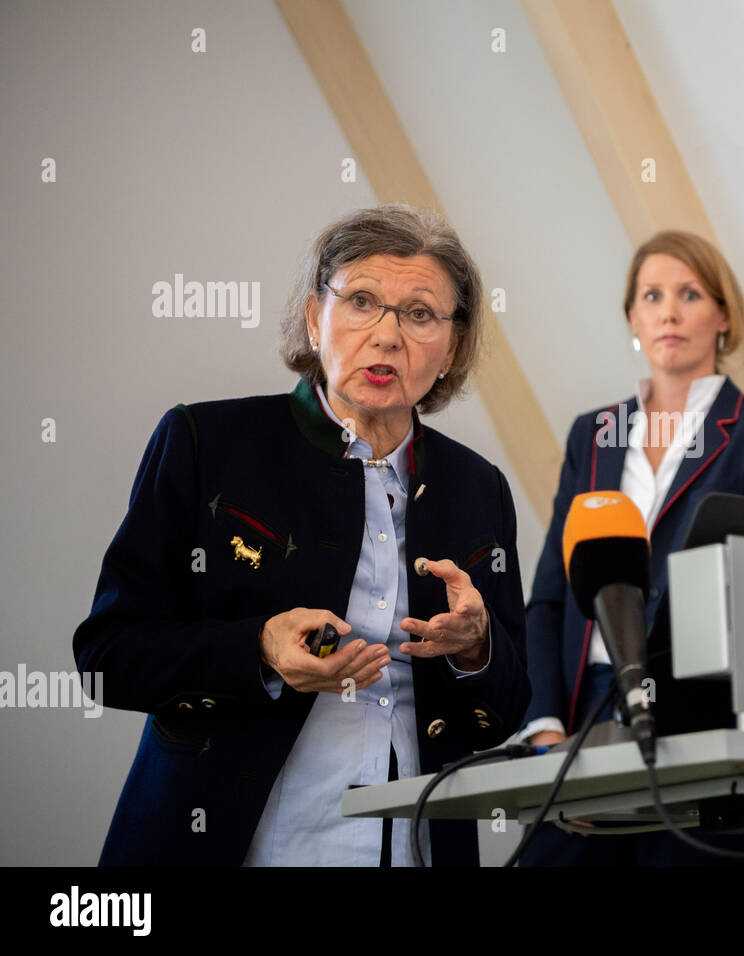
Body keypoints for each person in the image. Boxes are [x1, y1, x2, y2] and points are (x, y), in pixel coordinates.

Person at [73, 205, 530, 865]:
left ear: (453, 346)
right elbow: (108, 657)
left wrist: (476, 647)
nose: (387, 335)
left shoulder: (476, 486)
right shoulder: (208, 444)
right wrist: (258, 649)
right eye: (363, 302)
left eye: (420, 314)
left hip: (415, 846)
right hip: (241, 842)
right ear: (316, 319)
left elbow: (510, 705)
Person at [518, 230, 744, 866]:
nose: (669, 311)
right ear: (632, 318)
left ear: (723, 316)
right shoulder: (592, 436)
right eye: (652, 295)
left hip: (697, 717)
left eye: (690, 294)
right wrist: (543, 722)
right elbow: (548, 598)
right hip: (582, 713)